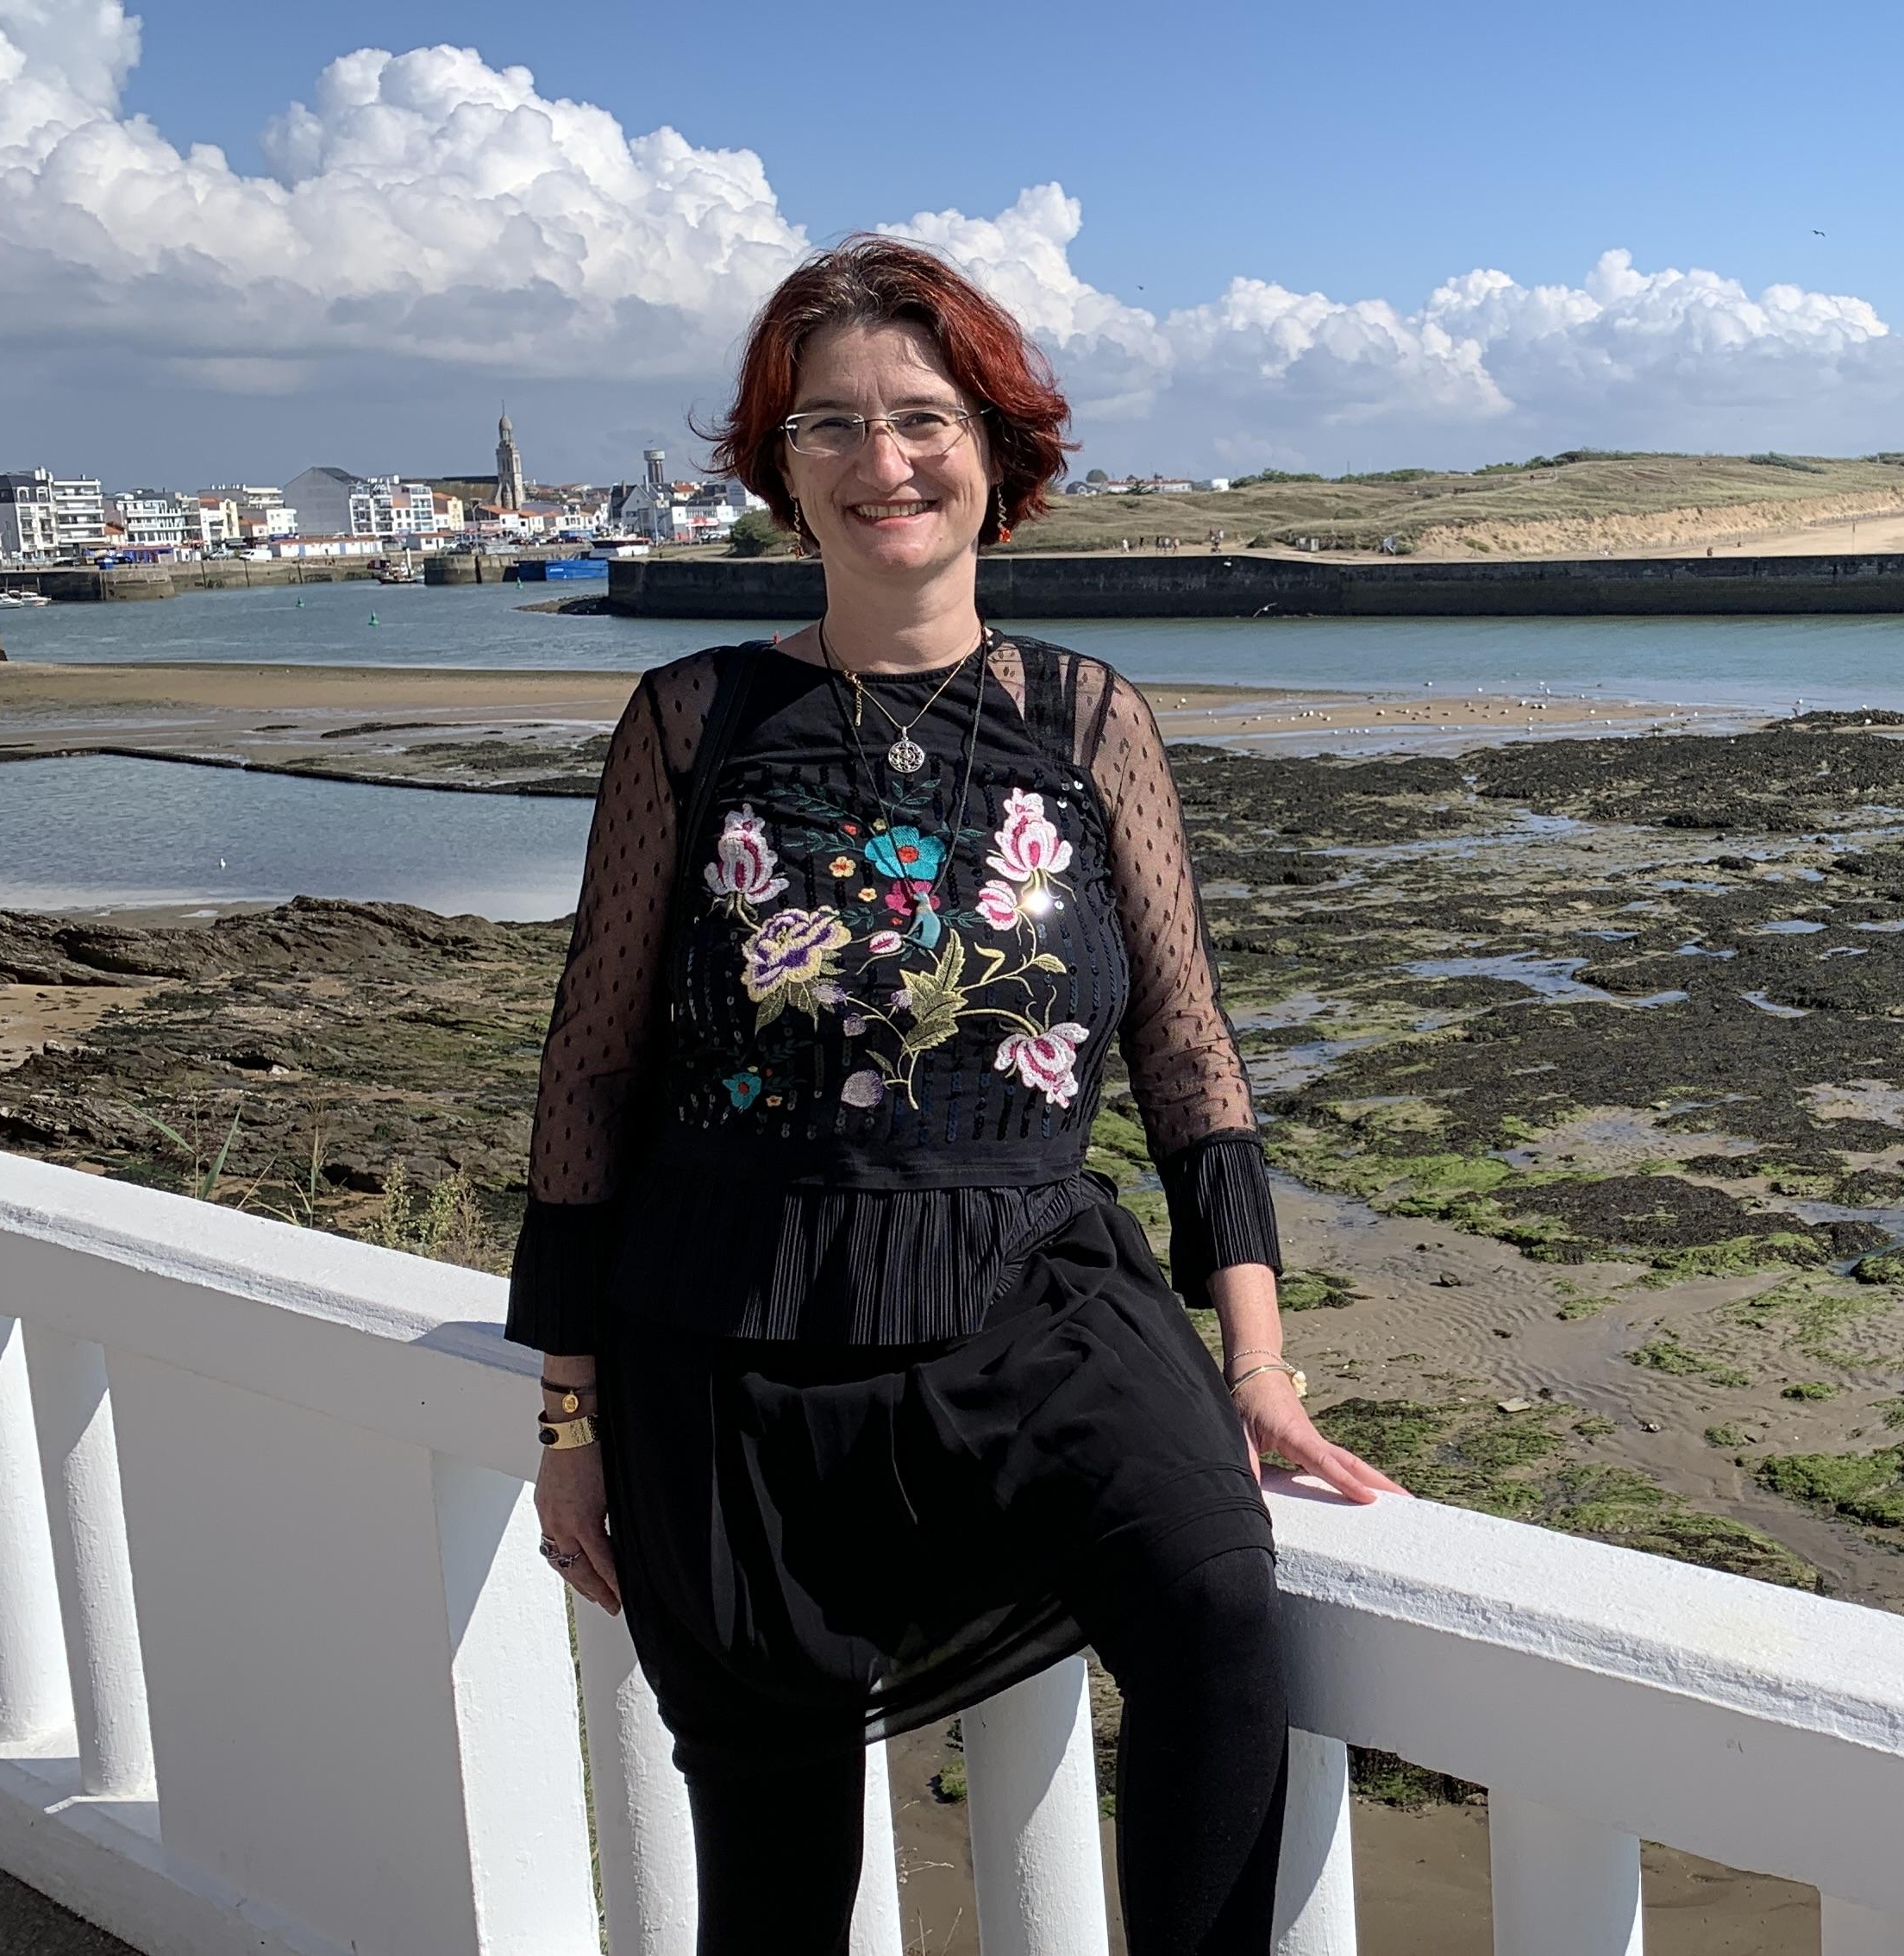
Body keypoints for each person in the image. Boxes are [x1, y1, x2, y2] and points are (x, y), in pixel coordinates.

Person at [507, 235, 1400, 1955]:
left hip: (1033, 1307)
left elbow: (1188, 1048)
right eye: (829, 424)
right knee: (773, 1872)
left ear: (997, 451)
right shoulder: (693, 720)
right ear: (779, 468)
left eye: (922, 417)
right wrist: (569, 1419)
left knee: (1218, 1609)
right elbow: (591, 1073)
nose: (883, 461)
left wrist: (1258, 1360)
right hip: (732, 1339)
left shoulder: (1088, 717)